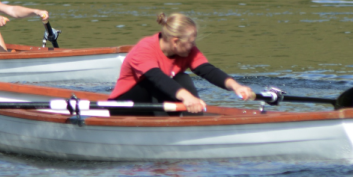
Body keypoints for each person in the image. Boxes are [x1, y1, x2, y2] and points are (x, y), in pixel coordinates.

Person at [109, 12, 255, 113]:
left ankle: (190, 122)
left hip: (155, 104)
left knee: (182, 78)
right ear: (175, 42)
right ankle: (169, 127)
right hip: (125, 105)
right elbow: (158, 79)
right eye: (190, 42)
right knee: (158, 82)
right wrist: (188, 97)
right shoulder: (144, 50)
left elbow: (208, 71)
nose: (193, 45)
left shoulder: (186, 50)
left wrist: (236, 87)